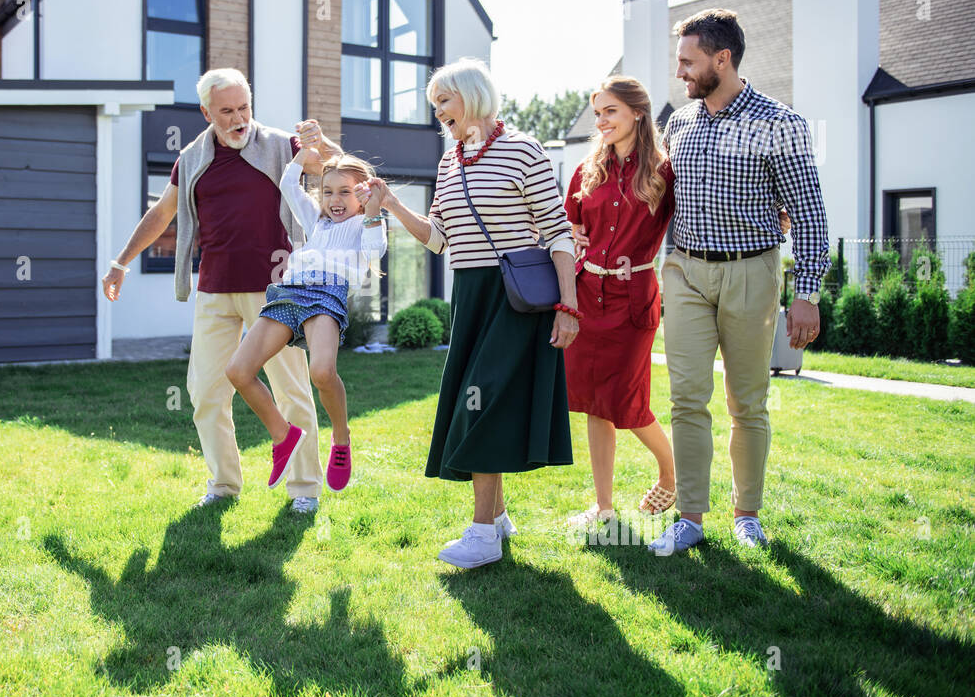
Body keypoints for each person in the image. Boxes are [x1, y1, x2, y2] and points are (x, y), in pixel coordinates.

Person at [367, 58, 579, 570]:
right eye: (433, 103)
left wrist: (568, 306)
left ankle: (483, 534)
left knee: (479, 406)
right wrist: (392, 202)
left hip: (516, 297)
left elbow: (558, 232)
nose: (438, 110)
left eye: (445, 100)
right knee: (481, 403)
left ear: (473, 96)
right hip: (470, 294)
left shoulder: (524, 150)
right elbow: (439, 238)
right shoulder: (449, 162)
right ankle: (497, 518)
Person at [101, 68, 342, 514]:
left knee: (290, 388)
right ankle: (224, 484)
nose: (238, 119)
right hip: (214, 289)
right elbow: (162, 213)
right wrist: (121, 262)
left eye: (244, 108)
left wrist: (322, 144)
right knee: (206, 390)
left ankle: (304, 488)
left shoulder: (277, 145)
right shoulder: (191, 158)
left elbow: (335, 171)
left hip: (277, 290)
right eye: (227, 111)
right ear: (206, 112)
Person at [648, 9, 829, 555]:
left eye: (688, 61)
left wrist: (807, 293)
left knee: (747, 401)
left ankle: (746, 515)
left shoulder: (780, 122)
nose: (680, 73)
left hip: (752, 270)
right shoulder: (680, 123)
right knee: (686, 398)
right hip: (684, 271)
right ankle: (691, 518)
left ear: (721, 59)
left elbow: (810, 212)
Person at [225, 149, 387, 493]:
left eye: (345, 191)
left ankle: (341, 438)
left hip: (326, 295)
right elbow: (288, 182)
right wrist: (305, 156)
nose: (335, 199)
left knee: (322, 373)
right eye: (328, 192)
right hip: (290, 291)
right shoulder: (316, 221)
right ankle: (283, 436)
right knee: (238, 371)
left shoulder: (364, 223)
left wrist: (372, 210)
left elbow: (375, 253)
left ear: (362, 193)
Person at [564, 77, 677, 531]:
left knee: (626, 403)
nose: (602, 121)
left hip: (634, 299)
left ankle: (671, 472)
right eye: (597, 113)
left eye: (610, 111)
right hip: (589, 296)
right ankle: (604, 506)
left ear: (637, 113)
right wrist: (573, 236)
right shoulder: (587, 169)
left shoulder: (664, 173)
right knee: (594, 403)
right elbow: (569, 225)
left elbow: (700, 212)